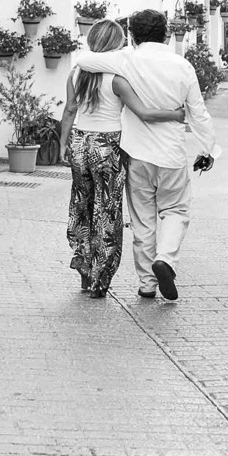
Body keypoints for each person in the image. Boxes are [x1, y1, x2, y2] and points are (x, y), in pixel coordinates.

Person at [71, 9, 217, 301]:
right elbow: (198, 113)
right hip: (172, 154)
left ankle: (147, 284)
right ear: (165, 34)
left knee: (143, 220)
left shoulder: (126, 59)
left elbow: (82, 60)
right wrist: (208, 149)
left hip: (136, 154)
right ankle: (165, 258)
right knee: (176, 211)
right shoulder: (183, 65)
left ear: (133, 35)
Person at [57, 19, 186, 298]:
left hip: (80, 143)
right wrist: (176, 115)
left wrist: (62, 144)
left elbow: (69, 110)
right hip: (108, 147)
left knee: (82, 208)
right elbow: (145, 114)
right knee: (107, 213)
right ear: (115, 45)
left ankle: (83, 273)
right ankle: (99, 283)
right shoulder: (116, 79)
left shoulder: (76, 73)